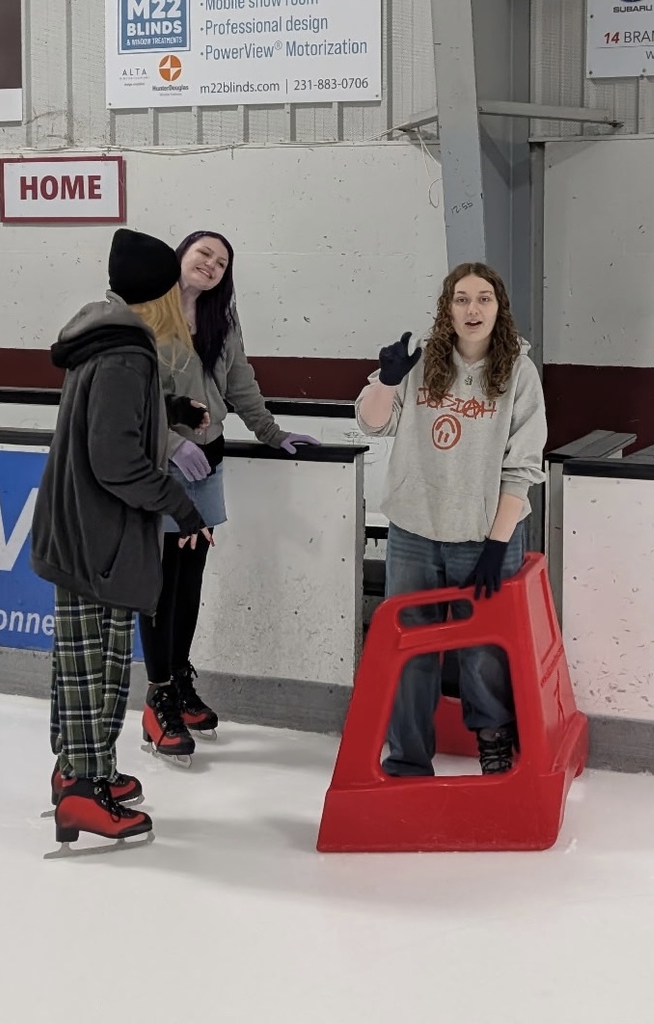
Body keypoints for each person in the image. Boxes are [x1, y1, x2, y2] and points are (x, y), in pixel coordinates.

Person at [30, 228, 210, 848]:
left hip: (83, 527)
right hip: (96, 533)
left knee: (87, 658)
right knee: (94, 664)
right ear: (159, 294)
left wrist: (171, 413)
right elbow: (115, 459)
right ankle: (83, 792)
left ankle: (84, 768)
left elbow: (117, 420)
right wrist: (180, 508)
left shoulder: (106, 341)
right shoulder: (126, 352)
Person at [355, 262, 547, 778]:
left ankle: (492, 739)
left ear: (498, 308)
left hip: (483, 536)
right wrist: (389, 380)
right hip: (415, 530)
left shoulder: (518, 372)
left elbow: (524, 464)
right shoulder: (420, 360)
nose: (472, 309)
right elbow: (373, 423)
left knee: (483, 648)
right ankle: (408, 756)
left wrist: (495, 543)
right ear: (447, 308)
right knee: (411, 647)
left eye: (483, 299)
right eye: (461, 299)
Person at [136, 230, 320, 755]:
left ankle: (178, 676)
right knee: (161, 583)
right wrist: (170, 442)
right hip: (161, 467)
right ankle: (158, 698)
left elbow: (240, 383)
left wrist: (273, 432)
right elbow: (132, 394)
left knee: (189, 580)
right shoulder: (146, 313)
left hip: (207, 463)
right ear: (182, 256)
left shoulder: (222, 320)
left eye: (221, 262)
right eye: (203, 255)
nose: (211, 266)